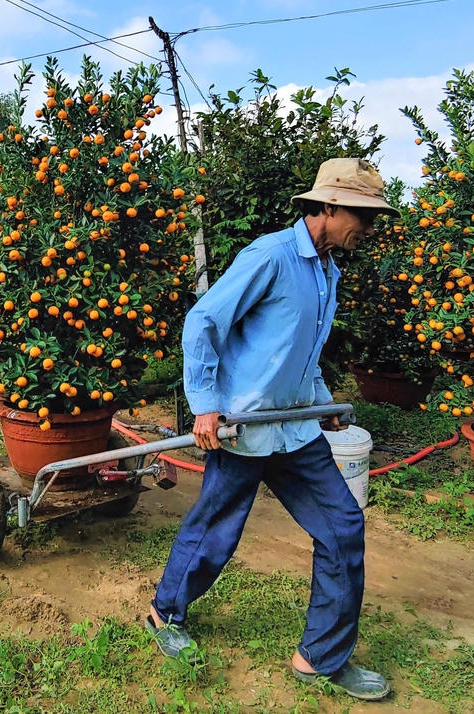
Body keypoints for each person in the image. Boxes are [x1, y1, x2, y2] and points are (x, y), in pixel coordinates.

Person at [145, 158, 398, 702]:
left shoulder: (327, 270)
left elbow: (299, 354)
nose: (368, 228)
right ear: (328, 207)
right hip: (245, 428)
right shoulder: (272, 257)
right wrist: (206, 404)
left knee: (342, 526)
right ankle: (165, 612)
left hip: (296, 430)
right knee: (217, 530)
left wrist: (323, 401)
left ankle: (320, 657)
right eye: (362, 214)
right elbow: (204, 322)